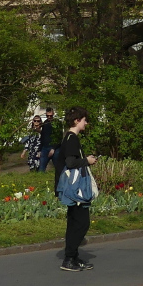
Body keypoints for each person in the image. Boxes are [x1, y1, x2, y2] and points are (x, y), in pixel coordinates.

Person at [55, 107, 98, 272]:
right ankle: (69, 258)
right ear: (76, 120)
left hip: (70, 188)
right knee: (82, 223)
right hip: (75, 189)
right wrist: (87, 161)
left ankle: (73, 257)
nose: (86, 123)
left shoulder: (68, 137)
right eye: (84, 120)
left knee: (73, 223)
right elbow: (71, 162)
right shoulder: (72, 139)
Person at [38, 107, 57, 172]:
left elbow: (59, 137)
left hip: (54, 148)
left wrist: (53, 148)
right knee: (41, 169)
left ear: (53, 114)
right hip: (45, 147)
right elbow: (43, 137)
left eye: (50, 116)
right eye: (47, 115)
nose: (49, 117)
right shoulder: (45, 123)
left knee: (58, 168)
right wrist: (40, 149)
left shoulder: (57, 123)